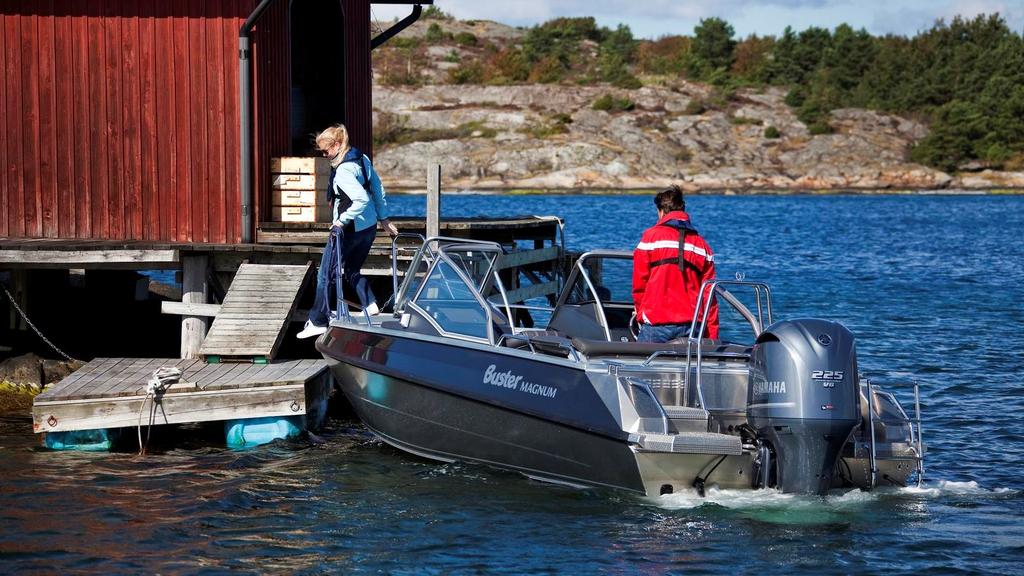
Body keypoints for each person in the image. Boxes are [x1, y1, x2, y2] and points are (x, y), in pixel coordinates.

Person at [298, 124, 398, 339]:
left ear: (336, 145)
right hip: (368, 227)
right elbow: (377, 188)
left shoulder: (343, 170)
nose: (325, 156)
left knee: (326, 274)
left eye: (326, 151)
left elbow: (360, 199)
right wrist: (384, 219)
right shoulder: (361, 158)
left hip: (349, 229)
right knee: (352, 269)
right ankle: (370, 304)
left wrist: (341, 222)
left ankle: (318, 320)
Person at [632, 185, 719, 343]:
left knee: (638, 364)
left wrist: (640, 314)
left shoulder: (649, 239)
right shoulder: (703, 246)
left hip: (656, 325)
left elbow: (639, 285)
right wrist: (712, 337)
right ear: (683, 211)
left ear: (661, 211)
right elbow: (709, 297)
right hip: (693, 326)